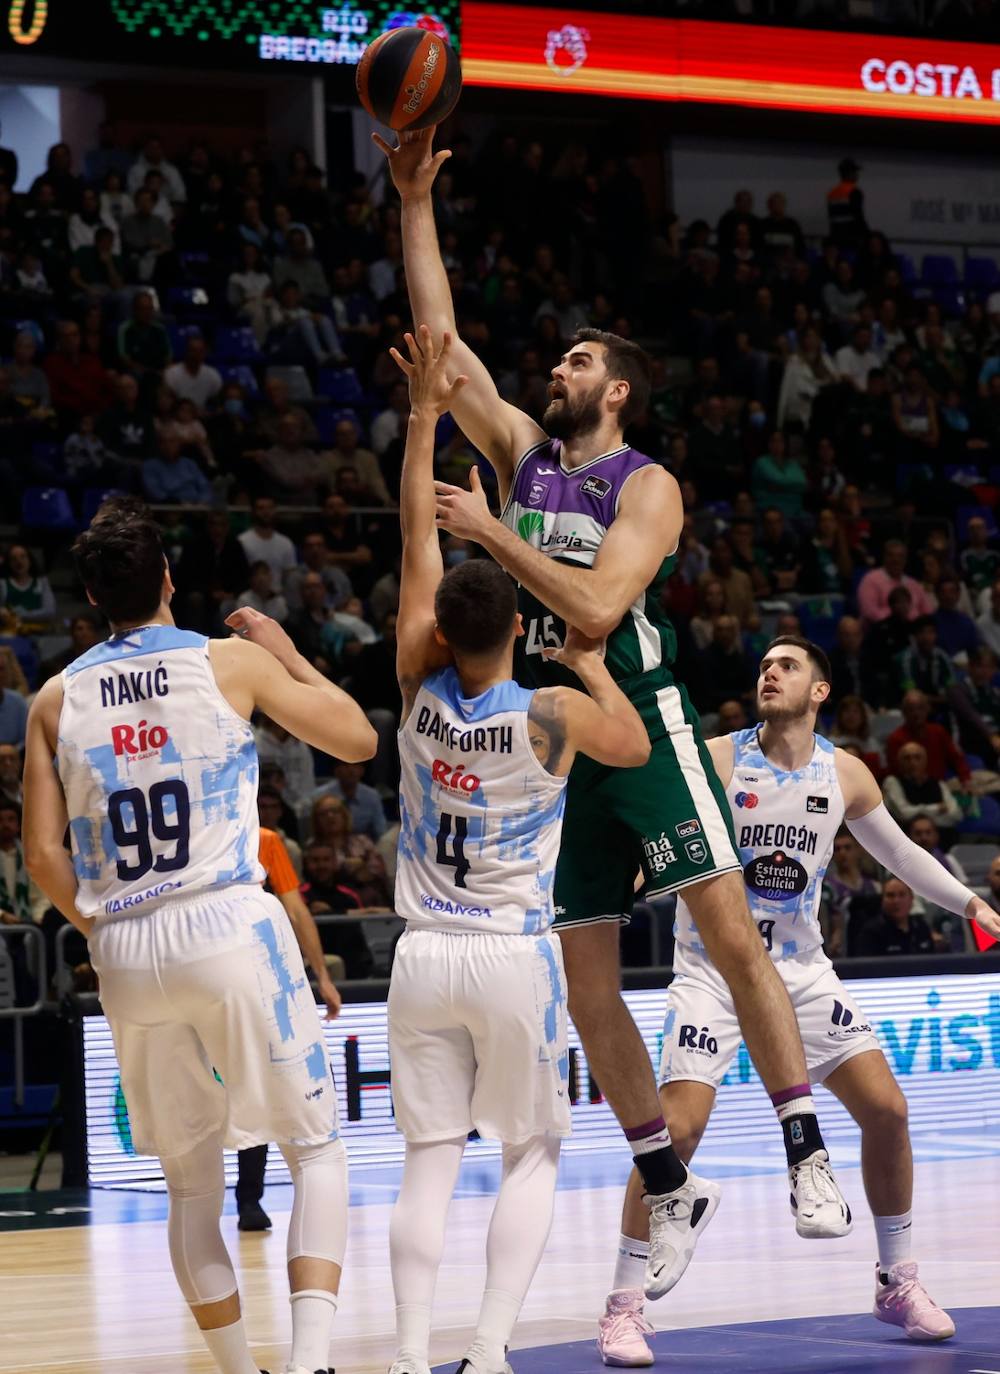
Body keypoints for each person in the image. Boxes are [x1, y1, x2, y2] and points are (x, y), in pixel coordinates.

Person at [380, 129, 851, 1287]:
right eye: (561, 359)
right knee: (590, 986)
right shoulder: (528, 455)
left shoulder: (645, 486)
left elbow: (595, 603)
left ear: (618, 388)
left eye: (580, 360)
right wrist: (411, 205)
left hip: (639, 707)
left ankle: (802, 1146)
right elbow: (444, 355)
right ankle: (667, 1181)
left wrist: (490, 534)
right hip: (554, 730)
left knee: (732, 935)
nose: (559, 368)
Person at [22, 496, 377, 1374]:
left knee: (190, 1185)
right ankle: (311, 1365)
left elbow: (39, 854)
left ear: (94, 600)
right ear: (169, 581)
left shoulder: (53, 699)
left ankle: (233, 1369)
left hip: (126, 943)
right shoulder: (229, 662)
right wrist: (286, 653)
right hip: (225, 922)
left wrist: (102, 923)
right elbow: (360, 739)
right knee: (316, 1150)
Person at [598, 636, 1000, 1364]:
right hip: (712, 974)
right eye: (764, 665)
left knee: (888, 1110)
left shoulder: (842, 773)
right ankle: (623, 1308)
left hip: (801, 973)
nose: (769, 673)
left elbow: (902, 856)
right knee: (675, 1131)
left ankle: (897, 1280)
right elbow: (654, 841)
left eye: (787, 666)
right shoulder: (719, 760)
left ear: (820, 690)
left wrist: (972, 904)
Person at [385, 326, 653, 1374]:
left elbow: (417, 539)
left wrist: (419, 425)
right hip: (509, 952)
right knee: (530, 1152)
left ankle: (410, 1355)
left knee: (425, 1164)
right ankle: (489, 1350)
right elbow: (629, 742)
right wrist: (588, 659)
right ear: (516, 629)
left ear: (444, 633)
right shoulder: (548, 710)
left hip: (419, 954)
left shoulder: (416, 679)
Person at [235, 824, 342, 1234]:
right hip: (232, 978)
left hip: (255, 979)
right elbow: (294, 910)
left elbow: (296, 910)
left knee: (254, 1085)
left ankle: (248, 1199)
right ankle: (238, 1199)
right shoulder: (249, 836)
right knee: (248, 1087)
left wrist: (322, 975)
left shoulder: (265, 840)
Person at [857, 879, 935, 957]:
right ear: (882, 900)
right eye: (890, 895)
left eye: (902, 895)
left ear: (911, 899)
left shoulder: (921, 927)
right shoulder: (871, 932)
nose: (896, 901)